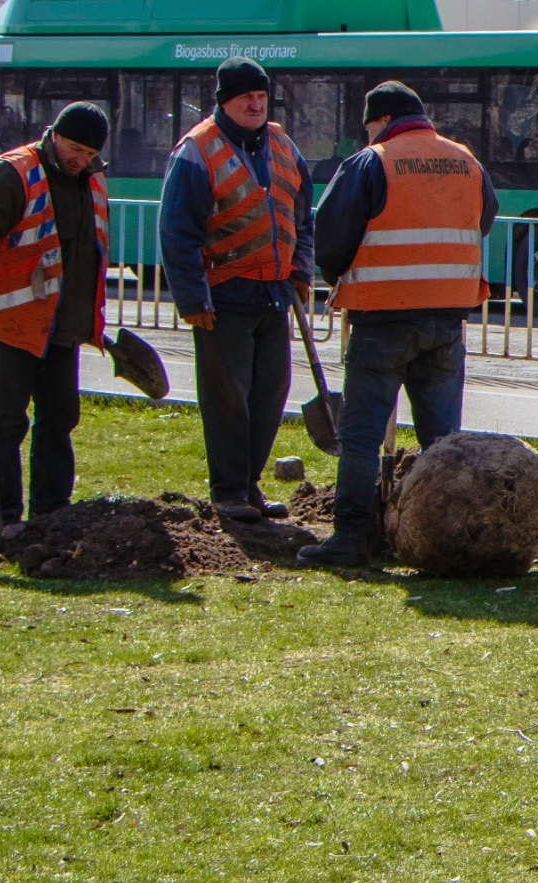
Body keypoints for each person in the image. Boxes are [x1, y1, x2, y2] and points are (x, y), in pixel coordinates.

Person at [298, 80, 499, 567]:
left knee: (362, 435)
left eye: (369, 127)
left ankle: (350, 538)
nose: (367, 135)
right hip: (447, 320)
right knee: (443, 443)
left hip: (383, 319)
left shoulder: (372, 161)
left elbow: (329, 236)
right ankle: (446, 538)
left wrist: (342, 277)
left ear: (383, 119)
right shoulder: (466, 161)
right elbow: (484, 217)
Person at [0, 102, 112, 526]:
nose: (80, 160)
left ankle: (51, 513)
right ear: (54, 134)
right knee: (8, 420)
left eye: (89, 154)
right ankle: (5, 514)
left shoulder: (90, 179)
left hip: (64, 323)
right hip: (16, 320)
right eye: (74, 149)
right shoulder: (12, 173)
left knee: (59, 419)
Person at [159, 57, 315, 524]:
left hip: (273, 293)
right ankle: (227, 491)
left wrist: (301, 270)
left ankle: (249, 484)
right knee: (229, 397)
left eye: (261, 96)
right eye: (246, 96)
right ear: (224, 101)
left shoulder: (282, 145)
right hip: (223, 296)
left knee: (270, 392)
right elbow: (177, 231)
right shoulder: (197, 149)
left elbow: (302, 215)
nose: (254, 104)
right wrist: (192, 298)